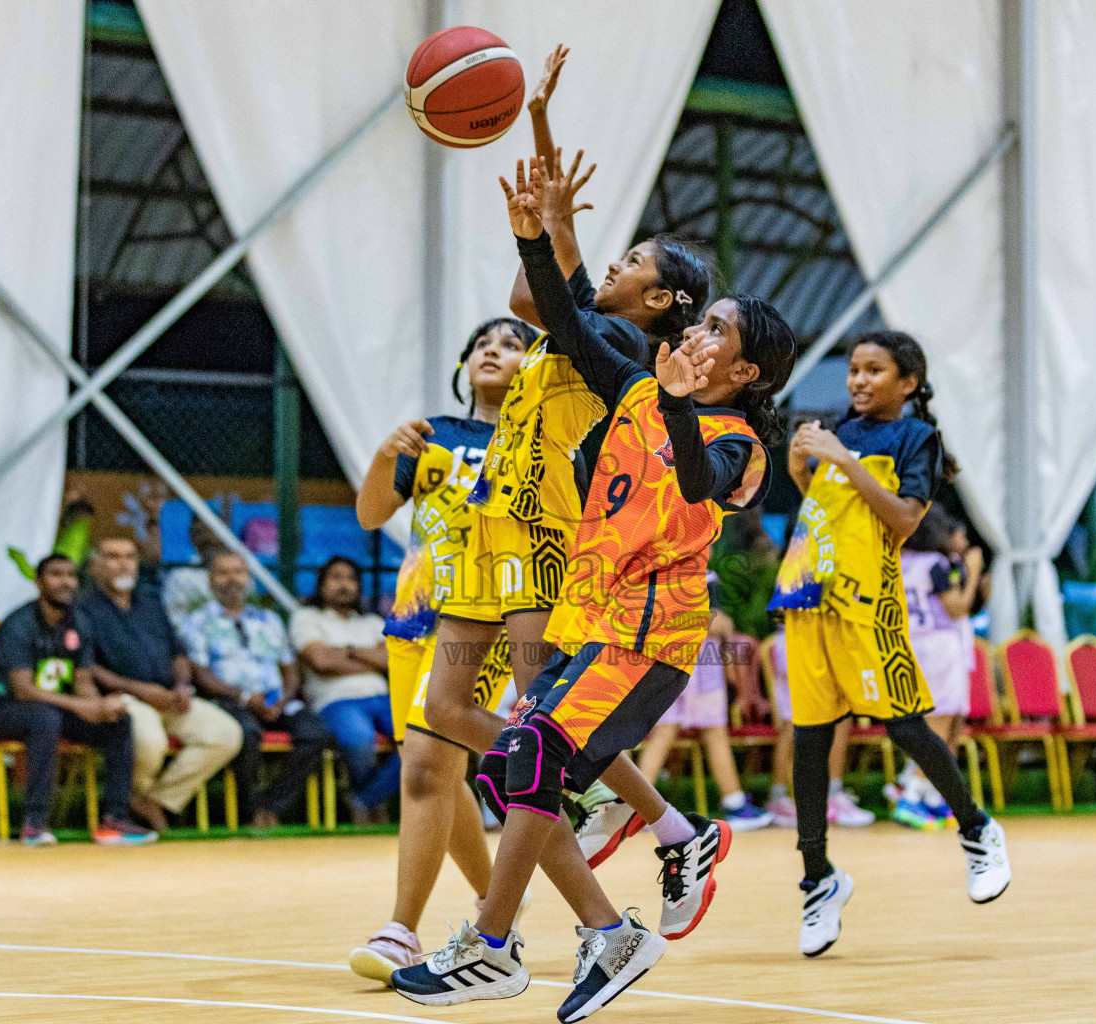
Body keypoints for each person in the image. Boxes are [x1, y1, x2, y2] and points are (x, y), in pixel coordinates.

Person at [393, 155, 796, 1020]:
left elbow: (696, 481)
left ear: (745, 371)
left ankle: (500, 946)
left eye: (716, 331)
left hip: (653, 640)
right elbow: (571, 322)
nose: (697, 338)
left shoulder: (741, 447)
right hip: (599, 620)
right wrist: (531, 234)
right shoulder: (639, 390)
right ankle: (604, 919)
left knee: (526, 753)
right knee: (517, 761)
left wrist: (682, 404)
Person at [421, 51, 711, 872]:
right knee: (453, 704)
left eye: (636, 262)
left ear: (657, 302)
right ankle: (627, 806)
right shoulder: (590, 318)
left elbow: (542, 280)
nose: (616, 260)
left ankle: (635, 813)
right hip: (498, 523)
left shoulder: (616, 340)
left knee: (537, 708)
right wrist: (538, 120)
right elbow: (551, 253)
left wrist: (543, 224)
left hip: (546, 527)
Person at [769, 329, 1010, 958]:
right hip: (805, 594)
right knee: (811, 743)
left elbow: (902, 519)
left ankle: (978, 831)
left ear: (908, 381)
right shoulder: (835, 434)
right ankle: (818, 878)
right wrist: (802, 468)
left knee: (905, 727)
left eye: (874, 370)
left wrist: (840, 461)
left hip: (867, 603)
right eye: (853, 370)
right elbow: (831, 509)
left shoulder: (915, 439)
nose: (858, 380)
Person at [345, 315, 530, 984]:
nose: (494, 350)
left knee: (426, 764)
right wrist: (380, 455)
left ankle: (401, 931)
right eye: (484, 342)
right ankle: (495, 907)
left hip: (480, 620)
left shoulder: (540, 446)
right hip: (413, 614)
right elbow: (371, 514)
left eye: (512, 344)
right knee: (433, 769)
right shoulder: (431, 435)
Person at [0, 553, 156, 846]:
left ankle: (114, 821)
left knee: (118, 721)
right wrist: (82, 705)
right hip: (6, 710)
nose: (65, 582)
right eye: (56, 575)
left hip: (57, 709)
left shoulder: (80, 623)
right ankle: (35, 824)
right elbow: (24, 690)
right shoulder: (19, 624)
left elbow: (83, 681)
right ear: (39, 582)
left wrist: (99, 708)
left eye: (70, 575)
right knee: (44, 718)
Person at [79, 536, 243, 833]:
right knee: (150, 741)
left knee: (226, 734)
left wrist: (183, 687)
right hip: (121, 699)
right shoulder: (83, 610)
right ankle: (133, 798)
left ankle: (155, 800)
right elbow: (88, 667)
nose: (123, 563)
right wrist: (140, 691)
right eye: (113, 556)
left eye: (129, 556)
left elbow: (178, 652)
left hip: (169, 697)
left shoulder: (151, 605)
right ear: (97, 566)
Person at [179, 550, 330, 828]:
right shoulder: (197, 622)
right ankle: (249, 808)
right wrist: (245, 697)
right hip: (227, 701)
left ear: (248, 578)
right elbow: (200, 673)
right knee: (245, 734)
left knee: (315, 732)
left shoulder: (269, 619)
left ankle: (270, 805)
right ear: (210, 581)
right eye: (222, 573)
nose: (231, 579)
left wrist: (282, 700)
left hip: (274, 700)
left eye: (239, 572)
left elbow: (289, 669)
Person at [636, 574, 773, 831]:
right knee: (714, 734)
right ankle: (734, 804)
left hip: (663, 665)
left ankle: (636, 810)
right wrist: (720, 623)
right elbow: (719, 624)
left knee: (662, 735)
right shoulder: (705, 576)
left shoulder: (654, 575)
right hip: (701, 669)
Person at [892, 504, 983, 829]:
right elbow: (957, 608)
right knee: (939, 728)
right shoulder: (936, 565)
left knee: (926, 725)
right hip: (939, 647)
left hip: (910, 645)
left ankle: (931, 797)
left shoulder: (899, 561)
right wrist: (972, 573)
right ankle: (912, 796)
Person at [290, 556, 399, 824]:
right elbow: (321, 662)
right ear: (321, 584)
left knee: (420, 739)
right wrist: (369, 658)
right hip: (336, 699)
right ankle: (373, 807)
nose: (344, 585)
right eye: (336, 578)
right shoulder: (306, 618)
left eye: (351, 579)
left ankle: (363, 800)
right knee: (360, 740)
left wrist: (346, 651)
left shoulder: (373, 621)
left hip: (383, 697)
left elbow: (391, 661)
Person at [760, 628, 875, 828]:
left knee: (799, 722)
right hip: (809, 639)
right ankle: (829, 796)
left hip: (799, 638)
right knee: (830, 718)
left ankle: (791, 797)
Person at [162, 516, 221, 631]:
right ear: (192, 537)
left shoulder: (240, 575)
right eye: (201, 532)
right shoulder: (180, 577)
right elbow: (174, 621)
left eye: (214, 530)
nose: (209, 538)